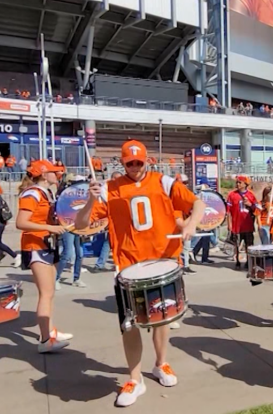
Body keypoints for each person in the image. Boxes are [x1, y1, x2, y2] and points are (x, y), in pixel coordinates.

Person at [73, 140, 206, 408]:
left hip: (163, 262)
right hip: (128, 266)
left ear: (147, 161)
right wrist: (90, 198)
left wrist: (191, 223)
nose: (134, 167)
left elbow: (198, 203)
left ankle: (161, 363)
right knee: (129, 324)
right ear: (122, 163)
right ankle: (135, 378)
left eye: (139, 162)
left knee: (161, 319)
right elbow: (80, 224)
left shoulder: (164, 182)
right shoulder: (109, 189)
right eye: (129, 163)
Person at [16, 158, 73, 353]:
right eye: (53, 171)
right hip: (36, 245)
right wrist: (50, 227)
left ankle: (49, 331)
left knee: (49, 294)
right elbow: (21, 222)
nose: (57, 174)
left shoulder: (46, 193)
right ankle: (45, 340)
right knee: (46, 293)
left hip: (47, 244)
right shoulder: (32, 194)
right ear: (42, 173)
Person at [226, 174, 258, 269]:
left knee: (249, 244)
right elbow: (228, 211)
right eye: (237, 182)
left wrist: (250, 204)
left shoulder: (251, 195)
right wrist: (229, 224)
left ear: (245, 184)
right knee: (236, 244)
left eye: (240, 182)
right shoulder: (232, 195)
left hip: (247, 224)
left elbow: (257, 209)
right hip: (236, 225)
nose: (238, 184)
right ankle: (237, 261)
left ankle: (249, 261)